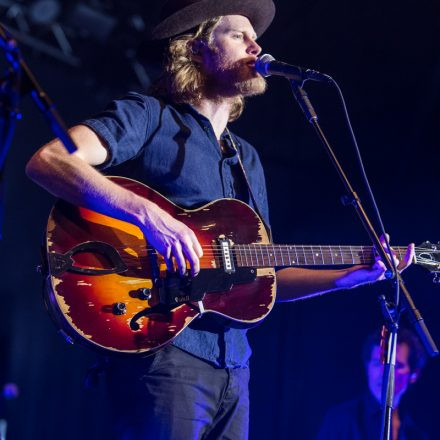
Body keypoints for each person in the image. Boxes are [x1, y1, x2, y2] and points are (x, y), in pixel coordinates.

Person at [25, 0, 414, 438]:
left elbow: (261, 277)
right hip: (163, 353)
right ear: (196, 50)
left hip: (235, 368)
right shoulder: (149, 116)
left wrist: (348, 277)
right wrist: (150, 215)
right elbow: (50, 160)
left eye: (254, 37)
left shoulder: (246, 158)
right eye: (239, 35)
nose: (256, 45)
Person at [316, 328, 428, 440]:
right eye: (377, 363)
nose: (384, 372)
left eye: (396, 366)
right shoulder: (340, 420)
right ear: (367, 368)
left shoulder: (416, 433)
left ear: (414, 375)